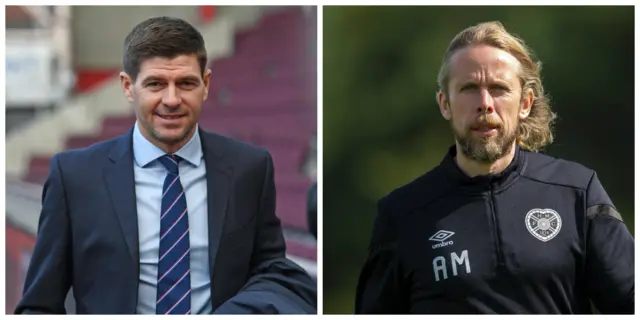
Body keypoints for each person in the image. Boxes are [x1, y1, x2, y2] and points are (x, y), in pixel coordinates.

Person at [16, 16, 316, 315]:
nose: (172, 100)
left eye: (186, 83)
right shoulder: (74, 176)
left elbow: (273, 271)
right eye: (156, 84)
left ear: (206, 84)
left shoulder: (249, 168)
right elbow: (38, 305)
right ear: (127, 87)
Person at [355, 21, 634, 314]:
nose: (485, 103)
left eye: (499, 88)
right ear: (445, 103)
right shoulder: (401, 214)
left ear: (525, 103)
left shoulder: (578, 192)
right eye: (469, 88)